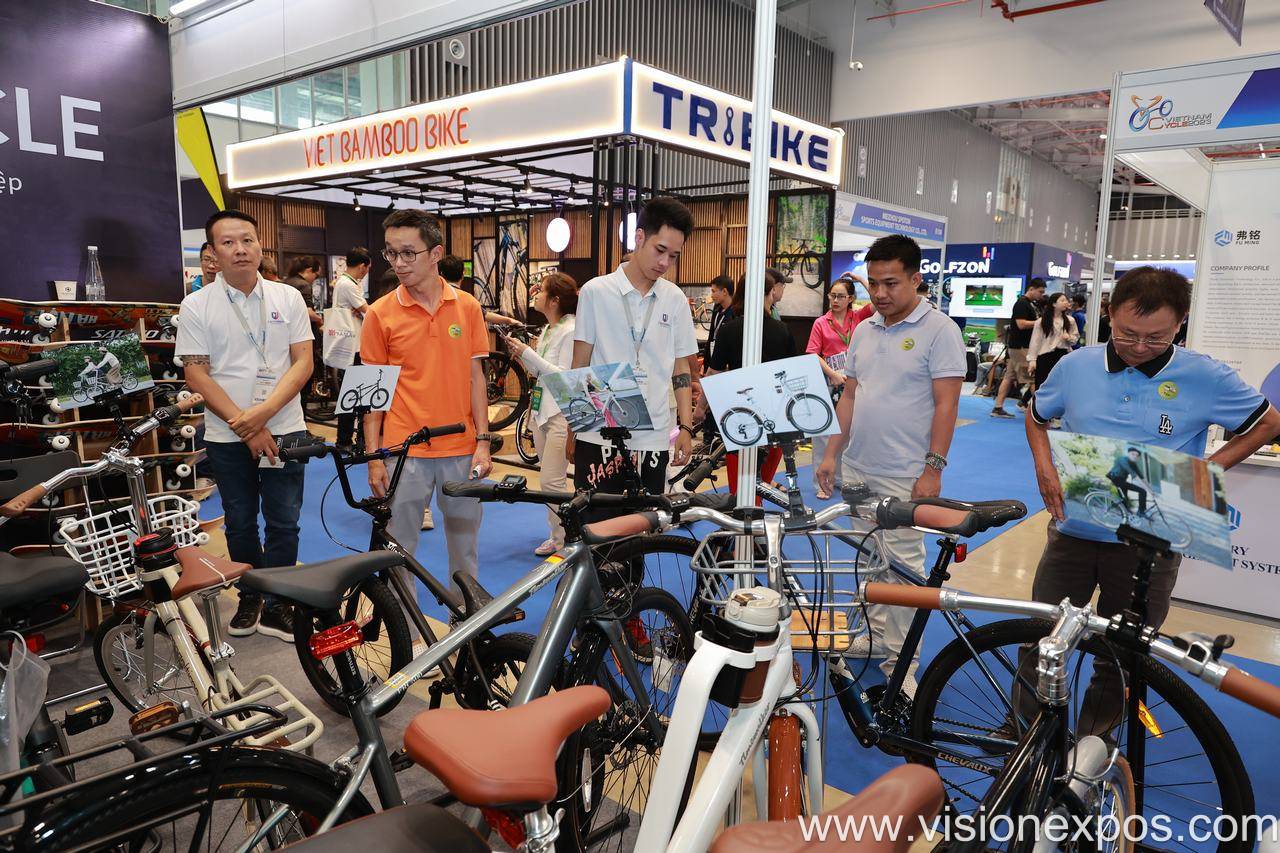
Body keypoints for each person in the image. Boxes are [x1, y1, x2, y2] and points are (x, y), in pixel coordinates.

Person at [1026, 265, 1280, 734]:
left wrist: (1205, 474)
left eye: (1156, 337)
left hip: (1151, 542)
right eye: (1127, 333)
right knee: (1041, 637)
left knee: (1122, 654)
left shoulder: (1206, 375)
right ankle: (1027, 733)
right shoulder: (1076, 366)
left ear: (1180, 323)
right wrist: (1045, 468)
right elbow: (1037, 415)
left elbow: (1268, 423)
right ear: (1109, 314)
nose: (1139, 347)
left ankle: (1095, 746)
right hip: (1074, 530)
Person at [816, 235, 966, 695]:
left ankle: (902, 666)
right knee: (869, 557)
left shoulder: (940, 331)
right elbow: (850, 395)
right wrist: (831, 453)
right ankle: (876, 635)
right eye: (874, 283)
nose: (880, 293)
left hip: (905, 472)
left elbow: (947, 404)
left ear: (916, 279)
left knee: (902, 568)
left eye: (891, 283)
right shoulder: (864, 330)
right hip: (859, 466)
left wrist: (933, 469)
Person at [175, 210, 313, 641]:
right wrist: (248, 427)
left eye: (248, 240)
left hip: (286, 429)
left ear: (260, 246)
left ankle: (279, 602)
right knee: (239, 521)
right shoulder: (196, 305)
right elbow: (196, 375)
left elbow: (303, 362)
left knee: (285, 521)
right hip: (227, 434)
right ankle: (251, 594)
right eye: (228, 242)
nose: (240, 249)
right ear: (213, 253)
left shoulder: (288, 298)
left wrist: (263, 414)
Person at [360, 209, 493, 593]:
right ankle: (406, 623)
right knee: (399, 547)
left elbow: (476, 379)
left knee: (465, 545)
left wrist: (483, 442)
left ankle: (465, 617)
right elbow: (372, 394)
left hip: (461, 447)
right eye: (391, 253)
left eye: (408, 253)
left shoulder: (467, 307)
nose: (398, 263)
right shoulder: (379, 314)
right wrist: (373, 458)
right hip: (403, 450)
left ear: (435, 254)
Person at [568, 197, 698, 501]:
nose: (664, 263)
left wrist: (686, 428)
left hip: (654, 436)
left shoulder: (675, 299)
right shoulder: (596, 291)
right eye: (659, 250)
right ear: (640, 237)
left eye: (673, 256)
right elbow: (580, 363)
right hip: (598, 431)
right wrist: (573, 428)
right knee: (595, 521)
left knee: (644, 523)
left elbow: (681, 368)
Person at [701, 269, 795, 502]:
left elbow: (713, 373)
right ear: (770, 293)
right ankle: (756, 517)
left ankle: (744, 520)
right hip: (776, 416)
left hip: (739, 416)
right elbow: (791, 376)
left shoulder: (729, 330)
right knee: (762, 486)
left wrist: (700, 408)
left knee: (740, 489)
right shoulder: (782, 331)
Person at [502, 272, 578, 556]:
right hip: (542, 411)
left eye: (541, 290)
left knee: (551, 481)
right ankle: (557, 535)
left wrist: (528, 353)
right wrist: (523, 355)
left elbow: (564, 377)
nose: (535, 294)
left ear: (555, 300)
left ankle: (565, 538)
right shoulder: (548, 329)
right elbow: (541, 372)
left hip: (560, 414)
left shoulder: (571, 330)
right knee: (549, 481)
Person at [805, 274, 874, 499]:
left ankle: (844, 480)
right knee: (823, 435)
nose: (835, 300)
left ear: (850, 299)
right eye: (832, 296)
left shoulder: (859, 317)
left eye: (841, 296)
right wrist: (832, 374)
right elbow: (813, 354)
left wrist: (860, 279)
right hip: (828, 382)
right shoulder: (821, 322)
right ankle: (821, 484)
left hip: (854, 383)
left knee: (850, 433)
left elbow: (875, 300)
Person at [331, 247, 371, 452]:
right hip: (354, 348)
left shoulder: (344, 282)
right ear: (363, 266)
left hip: (350, 346)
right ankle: (345, 441)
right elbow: (369, 313)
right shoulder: (348, 284)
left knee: (351, 395)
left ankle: (345, 440)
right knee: (353, 396)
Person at [991, 277, 1045, 418]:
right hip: (1020, 347)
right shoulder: (1021, 304)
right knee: (1033, 379)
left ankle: (997, 407)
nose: (1041, 295)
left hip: (1020, 347)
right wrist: (1039, 322)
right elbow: (1021, 324)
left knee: (1009, 377)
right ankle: (1041, 414)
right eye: (1040, 291)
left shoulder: (1031, 304)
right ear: (1031, 289)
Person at [1023, 292, 1078, 406]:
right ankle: (1039, 410)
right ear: (1054, 304)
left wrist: (1069, 337)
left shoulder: (1070, 320)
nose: (1065, 303)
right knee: (1042, 384)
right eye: (1062, 300)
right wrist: (1032, 360)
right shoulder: (1041, 321)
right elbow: (1035, 341)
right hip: (1045, 356)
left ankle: (1057, 411)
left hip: (1063, 355)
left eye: (1066, 300)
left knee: (1061, 385)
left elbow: (1075, 338)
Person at [441, 255, 520, 327]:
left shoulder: (436, 297)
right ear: (462, 275)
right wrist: (509, 320)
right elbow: (485, 315)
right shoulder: (468, 299)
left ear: (442, 274)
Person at [1108, 446, 1151, 515]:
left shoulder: (1133, 464)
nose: (1135, 456)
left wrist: (1150, 489)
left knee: (1124, 500)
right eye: (1133, 454)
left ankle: (1119, 509)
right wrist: (1147, 489)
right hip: (1116, 479)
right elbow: (1134, 475)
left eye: (1137, 455)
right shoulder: (1123, 460)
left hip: (1122, 481)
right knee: (1142, 491)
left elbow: (1141, 477)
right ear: (1128, 454)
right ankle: (1141, 512)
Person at [285, 256, 324, 325]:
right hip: (300, 327)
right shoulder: (304, 285)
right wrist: (319, 319)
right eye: (317, 276)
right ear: (309, 270)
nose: (315, 279)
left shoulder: (284, 282)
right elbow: (308, 312)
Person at [706, 274, 735, 359]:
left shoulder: (735, 313)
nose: (711, 295)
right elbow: (711, 335)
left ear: (725, 292)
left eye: (713, 291)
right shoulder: (717, 309)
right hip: (713, 355)